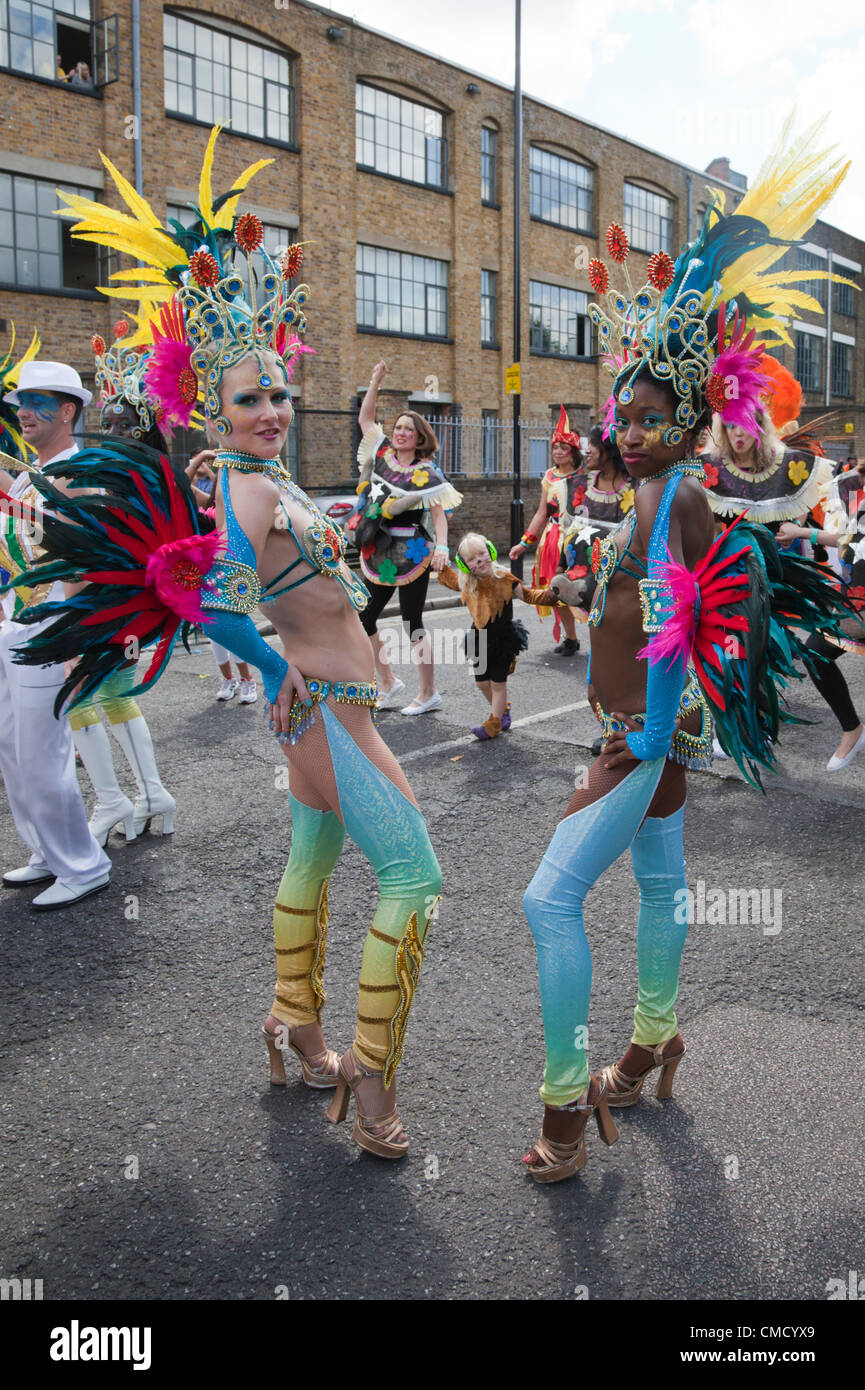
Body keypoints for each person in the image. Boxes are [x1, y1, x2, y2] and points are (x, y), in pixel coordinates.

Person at [15, 129, 443, 1159]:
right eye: (248, 397)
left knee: (314, 853)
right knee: (415, 876)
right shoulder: (245, 489)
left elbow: (292, 579)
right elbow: (209, 597)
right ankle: (373, 1084)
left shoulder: (275, 481)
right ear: (211, 403)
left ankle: (293, 1026)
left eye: (278, 392)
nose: (270, 409)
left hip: (334, 703)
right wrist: (274, 663)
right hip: (322, 709)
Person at [520, 117, 859, 1183]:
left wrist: (659, 733)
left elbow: (701, 618)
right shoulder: (648, 494)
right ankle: (655, 1037)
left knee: (546, 901)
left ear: (693, 413)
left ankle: (565, 1106)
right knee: (662, 888)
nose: (627, 428)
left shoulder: (688, 495)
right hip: (631, 730)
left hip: (646, 737)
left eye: (651, 413)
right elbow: (640, 601)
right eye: (623, 412)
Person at [705, 359, 858, 771]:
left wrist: (806, 532)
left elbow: (841, 518)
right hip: (731, 579)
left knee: (768, 651)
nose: (737, 434)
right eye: (730, 426)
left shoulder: (790, 465)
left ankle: (763, 722)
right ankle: (739, 724)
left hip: (781, 579)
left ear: (759, 425)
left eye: (744, 425)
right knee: (733, 651)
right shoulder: (712, 471)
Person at [0, 359, 111, 908]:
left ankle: (84, 864)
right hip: (15, 623)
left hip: (52, 627)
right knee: (14, 750)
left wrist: (78, 638)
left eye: (36, 402)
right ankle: (47, 851)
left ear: (67, 411)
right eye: (20, 402)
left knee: (44, 752)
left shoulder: (79, 471)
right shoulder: (28, 474)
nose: (23, 412)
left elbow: (86, 562)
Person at [63, 328, 177, 843]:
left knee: (83, 696)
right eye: (106, 422)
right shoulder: (125, 470)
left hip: (123, 601)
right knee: (107, 695)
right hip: (112, 599)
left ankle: (117, 801)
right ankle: (150, 795)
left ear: (145, 425)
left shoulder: (145, 474)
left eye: (123, 423)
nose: (113, 430)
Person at [355, 361, 461, 714]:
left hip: (414, 553)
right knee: (364, 617)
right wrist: (376, 381)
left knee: (412, 622)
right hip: (379, 551)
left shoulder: (427, 474)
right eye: (398, 427)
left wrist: (443, 548)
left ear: (419, 438)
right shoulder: (381, 455)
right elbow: (366, 420)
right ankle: (387, 681)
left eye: (407, 429)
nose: (400, 432)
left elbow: (438, 516)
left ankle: (428, 693)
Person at [435, 532, 565, 740]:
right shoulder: (467, 582)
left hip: (502, 640)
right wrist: (436, 561)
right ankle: (503, 710)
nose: (479, 560)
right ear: (464, 564)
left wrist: (551, 595)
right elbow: (448, 577)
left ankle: (493, 723)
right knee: (481, 683)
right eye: (471, 559)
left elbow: (529, 595)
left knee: (497, 684)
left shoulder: (505, 579)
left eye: (482, 554)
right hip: (479, 639)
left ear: (491, 551)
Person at [509, 406, 584, 655]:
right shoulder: (549, 477)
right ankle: (571, 638)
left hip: (577, 539)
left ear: (574, 452)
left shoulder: (584, 476)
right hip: (552, 541)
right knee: (557, 590)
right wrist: (524, 542)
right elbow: (542, 512)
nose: (558, 452)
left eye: (563, 448)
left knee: (586, 589)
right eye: (555, 447)